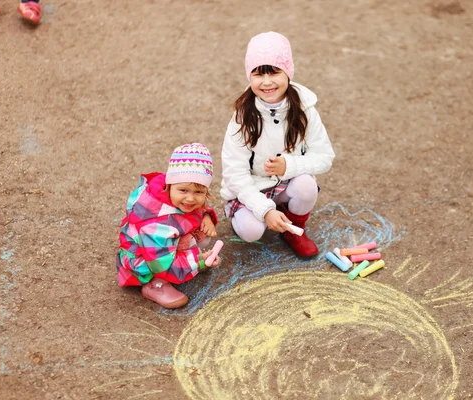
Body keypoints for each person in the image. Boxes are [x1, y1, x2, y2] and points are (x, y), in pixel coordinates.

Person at [220, 31, 335, 257]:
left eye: (274, 72)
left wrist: (289, 166)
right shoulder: (242, 117)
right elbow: (235, 172)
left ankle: (294, 229)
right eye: (258, 74)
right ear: (249, 76)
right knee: (251, 231)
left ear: (288, 72)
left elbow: (325, 157)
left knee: (306, 187)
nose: (267, 82)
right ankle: (250, 214)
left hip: (286, 182)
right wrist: (265, 210)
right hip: (252, 187)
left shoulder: (304, 110)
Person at [116, 143, 221, 309]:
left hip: (160, 249)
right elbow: (161, 264)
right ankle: (155, 285)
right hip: (145, 264)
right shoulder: (157, 224)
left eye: (199, 192)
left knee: (201, 233)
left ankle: (185, 262)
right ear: (170, 185)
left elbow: (195, 209)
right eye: (184, 191)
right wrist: (198, 262)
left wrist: (206, 216)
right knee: (166, 264)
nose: (191, 199)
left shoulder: (170, 198)